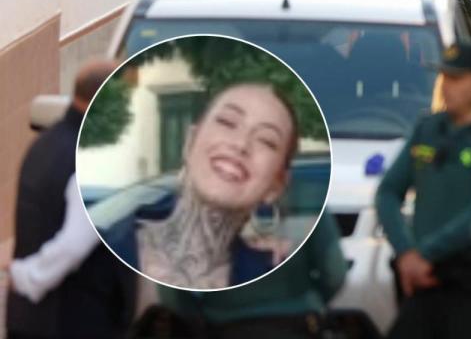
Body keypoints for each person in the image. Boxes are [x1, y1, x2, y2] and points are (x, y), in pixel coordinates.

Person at [375, 40, 471, 339]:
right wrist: (406, 253)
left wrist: (425, 254)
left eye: (456, 79)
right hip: (422, 280)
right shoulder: (428, 129)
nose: (446, 86)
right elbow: (388, 192)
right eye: (444, 76)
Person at [99, 82, 303, 290]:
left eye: (266, 141)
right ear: (190, 142)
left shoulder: (276, 285)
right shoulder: (94, 254)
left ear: (276, 186)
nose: (241, 144)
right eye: (227, 122)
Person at [4, 60, 137, 339]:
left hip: (27, 320)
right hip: (75, 320)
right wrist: (26, 277)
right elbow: (73, 245)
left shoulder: (43, 144)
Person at [152, 216, 347, 339]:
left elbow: (171, 291)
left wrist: (198, 315)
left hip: (224, 325)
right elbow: (334, 271)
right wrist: (312, 300)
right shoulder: (311, 202)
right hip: (297, 323)